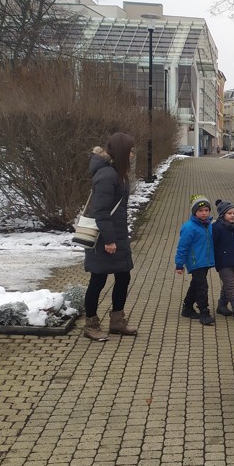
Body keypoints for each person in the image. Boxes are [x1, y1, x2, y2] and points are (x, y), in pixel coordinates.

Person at [82, 133, 137, 341]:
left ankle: (117, 321)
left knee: (123, 277)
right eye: (130, 150)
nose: (132, 154)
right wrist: (110, 240)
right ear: (122, 151)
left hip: (117, 235)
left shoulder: (117, 173)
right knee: (98, 279)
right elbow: (101, 211)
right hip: (104, 239)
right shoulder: (107, 175)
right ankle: (91, 324)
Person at [174, 195, 217, 325]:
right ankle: (204, 312)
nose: (204, 213)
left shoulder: (209, 225)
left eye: (206, 210)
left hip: (205, 261)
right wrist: (179, 264)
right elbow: (182, 247)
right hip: (195, 261)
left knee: (196, 284)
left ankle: (187, 307)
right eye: (200, 211)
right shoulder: (189, 227)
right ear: (194, 212)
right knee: (202, 286)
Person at [212, 199, 234, 318]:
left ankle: (221, 305)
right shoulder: (217, 227)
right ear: (222, 214)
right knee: (230, 285)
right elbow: (213, 244)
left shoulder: (233, 228)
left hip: (233, 261)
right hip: (223, 262)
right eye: (229, 213)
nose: (232, 215)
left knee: (227, 284)